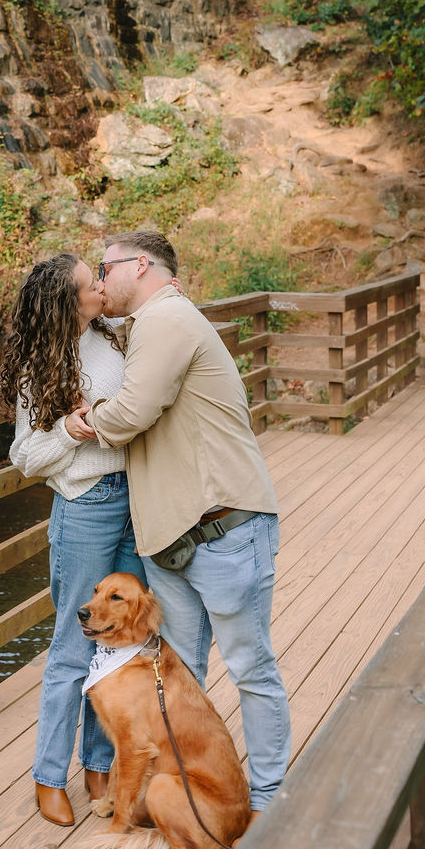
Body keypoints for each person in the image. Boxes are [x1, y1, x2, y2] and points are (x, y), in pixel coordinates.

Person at [80, 228, 291, 814]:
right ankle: (186, 795)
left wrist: (82, 419)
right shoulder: (147, 327)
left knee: (250, 668)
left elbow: (130, 414)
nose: (100, 281)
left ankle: (269, 801)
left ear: (141, 265)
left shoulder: (167, 319)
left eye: (106, 268)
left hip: (223, 529)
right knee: (177, 677)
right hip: (175, 539)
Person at [0, 251, 146, 828]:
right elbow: (26, 457)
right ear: (67, 302)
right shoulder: (40, 364)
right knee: (73, 648)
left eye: (100, 280)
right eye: (90, 285)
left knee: (120, 641)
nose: (101, 289)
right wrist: (69, 430)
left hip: (137, 501)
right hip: (85, 508)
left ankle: (99, 766)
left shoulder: (115, 339)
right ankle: (48, 777)